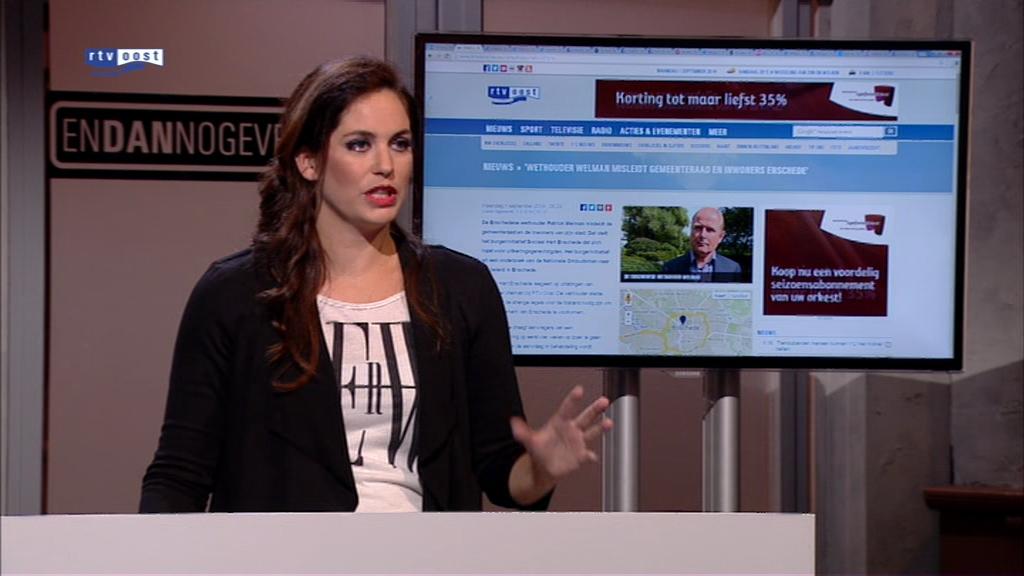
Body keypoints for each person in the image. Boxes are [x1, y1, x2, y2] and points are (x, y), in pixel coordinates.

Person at [140, 57, 611, 513]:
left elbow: (502, 474)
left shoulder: (462, 287)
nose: (385, 164)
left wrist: (541, 469)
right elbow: (179, 475)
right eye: (359, 144)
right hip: (286, 554)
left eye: (400, 144)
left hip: (428, 552)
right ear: (308, 161)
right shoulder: (236, 294)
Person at [661, 206, 742, 282]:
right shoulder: (670, 268)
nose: (703, 235)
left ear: (721, 236)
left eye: (710, 230)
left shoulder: (732, 269)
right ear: (691, 231)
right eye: (698, 228)